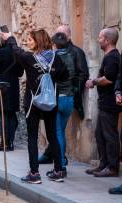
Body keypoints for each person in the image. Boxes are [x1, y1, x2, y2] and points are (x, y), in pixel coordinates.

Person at [0, 29, 68, 184]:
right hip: (51, 101)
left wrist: (10, 37)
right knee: (52, 136)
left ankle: (34, 173)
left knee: (32, 137)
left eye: (30, 39)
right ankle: (58, 170)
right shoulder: (54, 58)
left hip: (33, 102)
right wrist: (51, 76)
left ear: (38, 41)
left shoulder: (30, 58)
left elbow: (16, 51)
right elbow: (65, 75)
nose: (28, 42)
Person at [39, 25, 90, 164]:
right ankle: (53, 155)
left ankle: (60, 162)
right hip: (66, 98)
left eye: (61, 35)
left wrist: (73, 91)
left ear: (68, 37)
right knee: (58, 130)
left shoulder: (73, 53)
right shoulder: (58, 54)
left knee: (57, 131)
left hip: (62, 97)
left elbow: (82, 74)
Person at [85, 28, 121, 177]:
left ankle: (112, 168)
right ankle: (103, 164)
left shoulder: (112, 58)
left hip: (110, 103)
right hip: (105, 102)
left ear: (107, 40)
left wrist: (93, 81)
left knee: (109, 135)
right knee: (100, 134)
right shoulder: (109, 56)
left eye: (100, 37)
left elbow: (109, 78)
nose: (98, 40)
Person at [42, 32, 78, 177]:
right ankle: (60, 162)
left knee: (57, 135)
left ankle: (61, 166)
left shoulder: (54, 58)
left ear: (54, 45)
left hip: (58, 98)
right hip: (69, 98)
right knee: (60, 133)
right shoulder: (72, 55)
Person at [0, 38, 24, 151]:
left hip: (3, 86)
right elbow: (20, 72)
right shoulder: (18, 52)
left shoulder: (2, 52)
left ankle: (5, 143)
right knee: (11, 115)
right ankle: (10, 142)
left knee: (4, 116)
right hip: (14, 87)